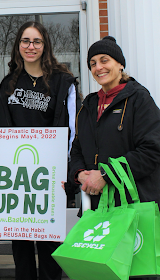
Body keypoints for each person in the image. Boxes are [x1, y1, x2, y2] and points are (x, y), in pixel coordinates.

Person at [0, 21, 79, 280]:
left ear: (45, 46)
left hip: (48, 176)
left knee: (49, 245)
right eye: (25, 41)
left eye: (36, 41)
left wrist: (68, 170)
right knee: (20, 247)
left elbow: (72, 129)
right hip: (16, 177)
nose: (30, 46)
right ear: (18, 46)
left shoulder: (63, 82)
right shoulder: (9, 83)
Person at [69, 36, 160, 279]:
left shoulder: (140, 99)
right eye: (92, 63)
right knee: (100, 274)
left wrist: (106, 175)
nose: (98, 67)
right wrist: (80, 174)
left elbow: (152, 151)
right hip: (98, 212)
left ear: (120, 64)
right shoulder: (88, 105)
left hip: (134, 207)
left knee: (138, 272)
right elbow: (77, 150)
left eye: (104, 60)